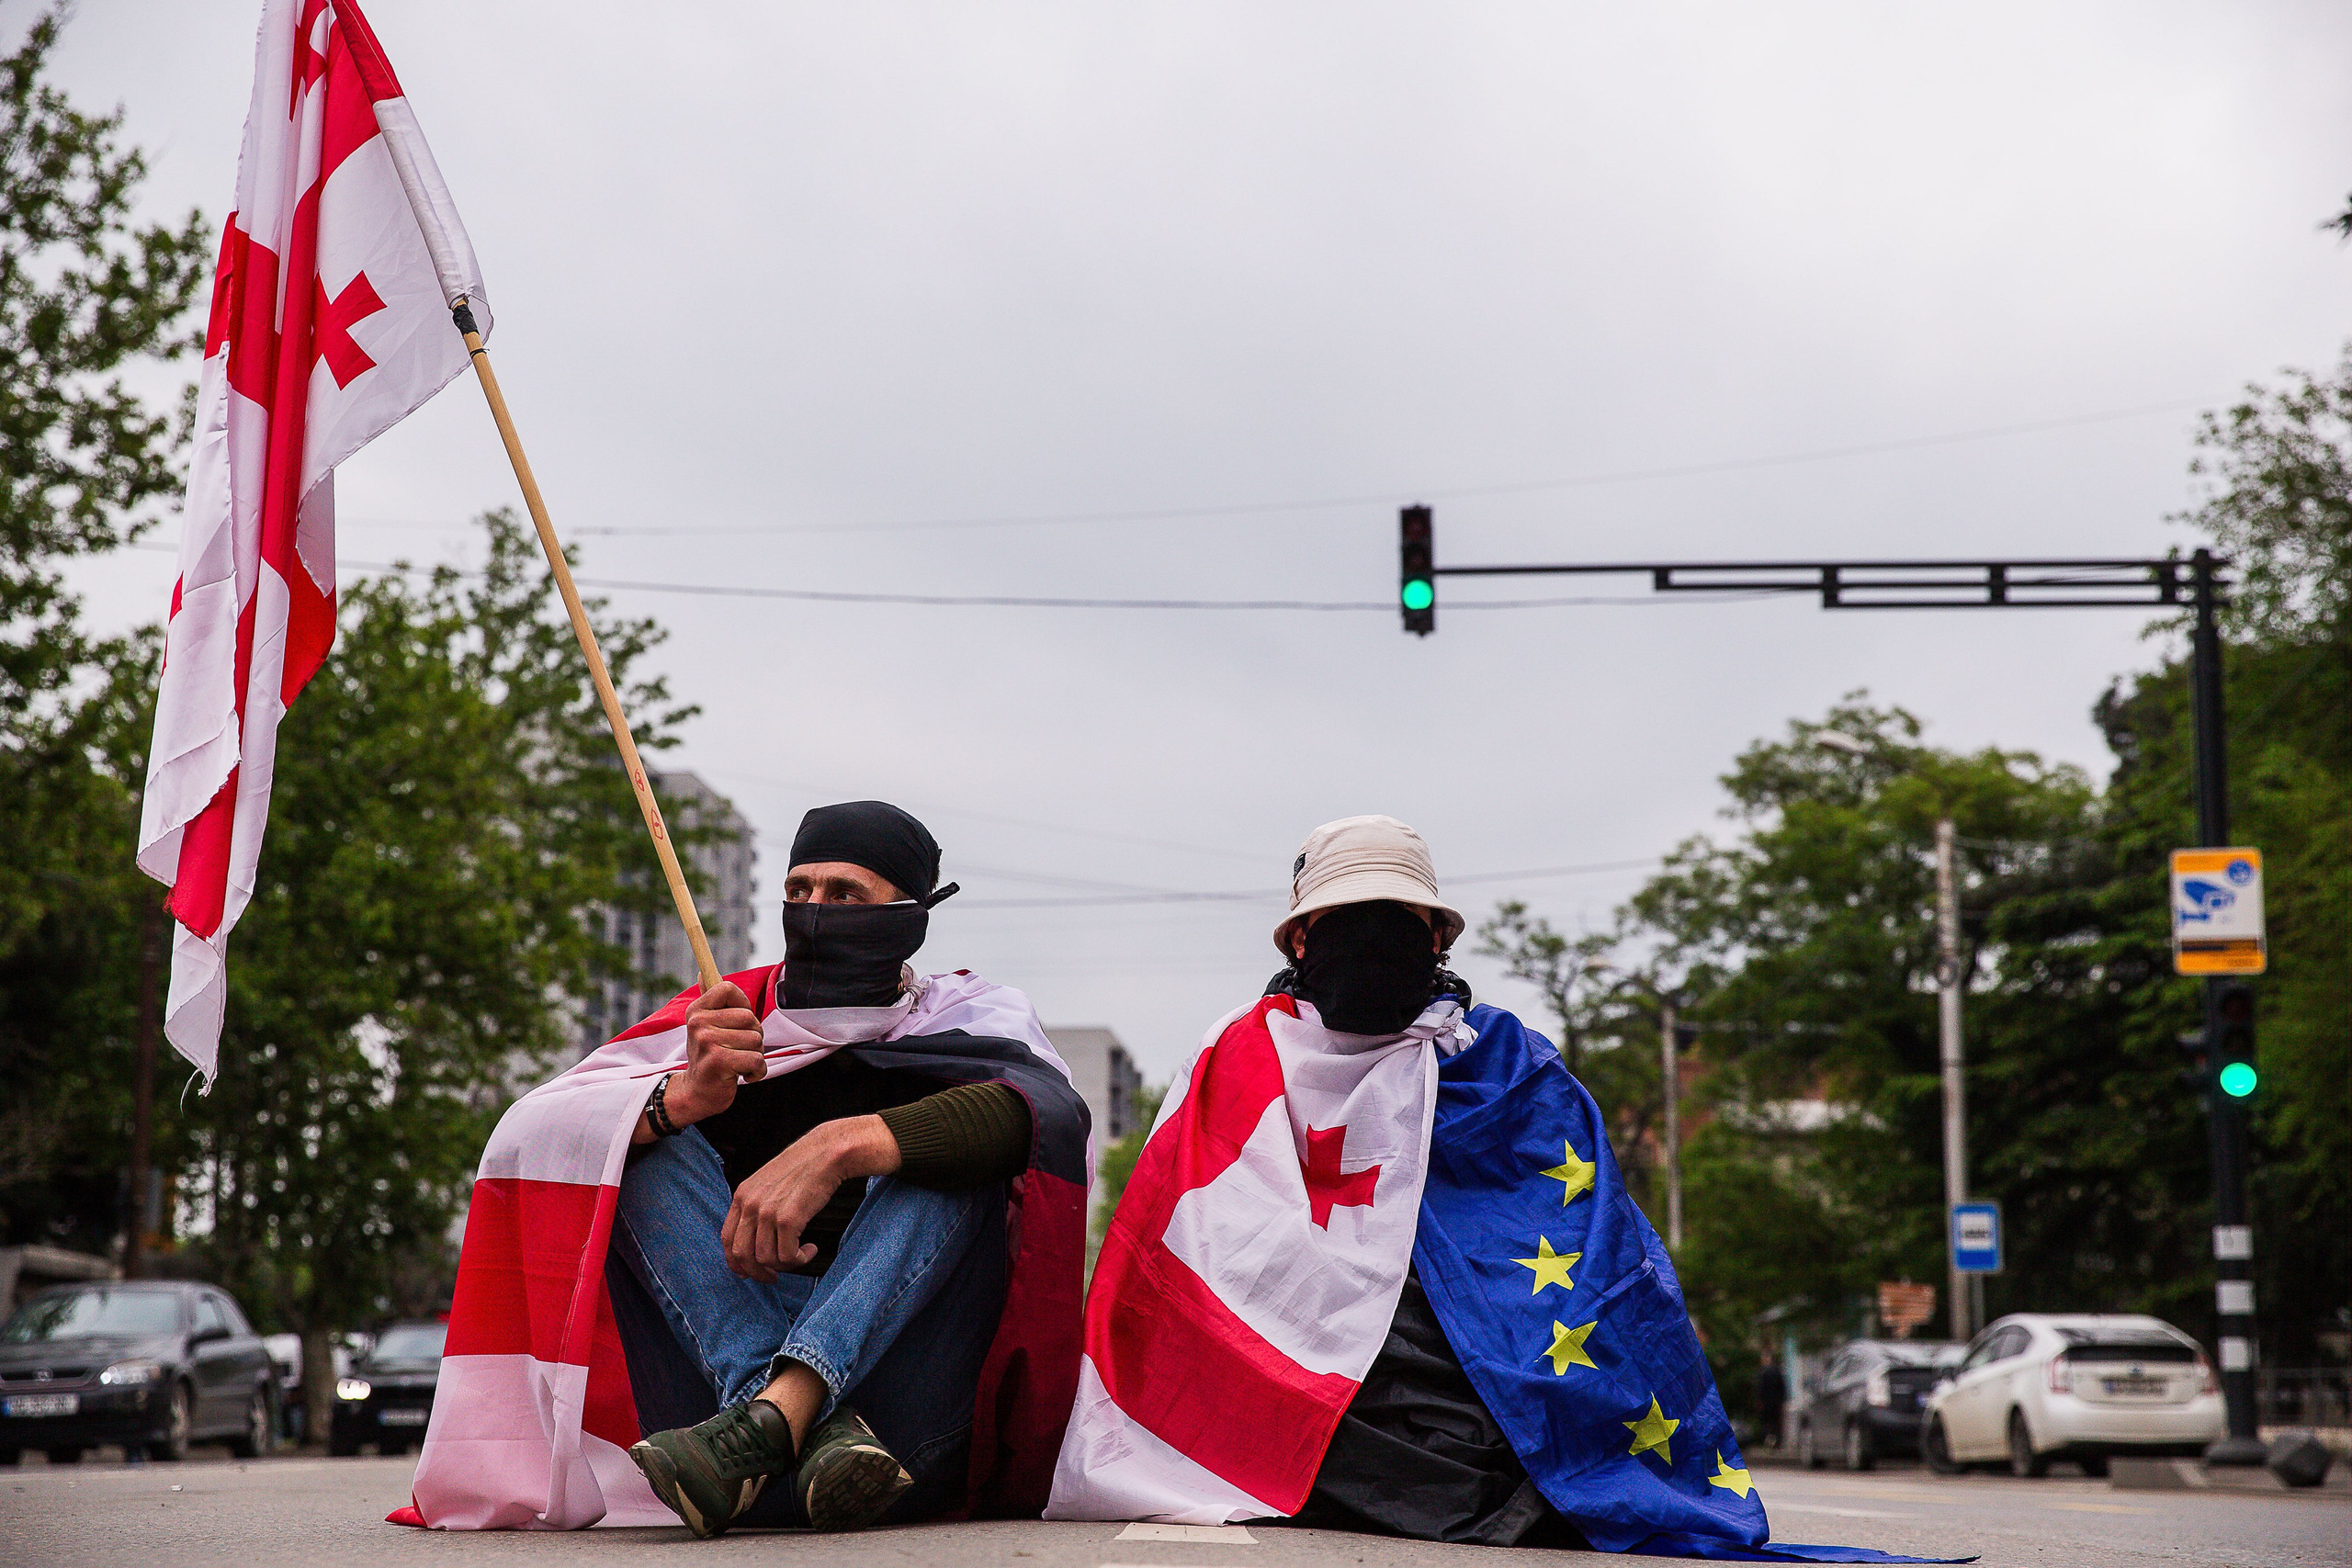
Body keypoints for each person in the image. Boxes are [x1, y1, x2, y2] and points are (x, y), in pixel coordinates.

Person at [1046, 816, 1943, 1565]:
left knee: (1513, 1421)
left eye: (1395, 920)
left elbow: (1591, 1253)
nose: (1373, 940)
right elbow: (1185, 1248)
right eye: (1348, 919)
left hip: (1479, 1353)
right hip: (1296, 1363)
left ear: (1437, 939)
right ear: (1300, 940)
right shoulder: (1236, 1057)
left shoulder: (1507, 1063)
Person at [406, 801, 1091, 1538]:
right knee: (629, 1139)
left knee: (948, 1153)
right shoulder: (727, 1022)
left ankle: (777, 1414)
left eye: (845, 893)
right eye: (799, 889)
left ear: (910, 916)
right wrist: (680, 1099)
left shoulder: (969, 1018)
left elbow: (1045, 1117)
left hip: (899, 1444)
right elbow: (534, 1134)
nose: (814, 909)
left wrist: (841, 1144)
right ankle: (778, 1418)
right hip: (712, 1456)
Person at [1756, 1352, 1789, 1450]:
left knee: (1767, 1423)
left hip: (1766, 1403)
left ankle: (1768, 1441)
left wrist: (1759, 1401)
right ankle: (1777, 1442)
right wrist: (1782, 1400)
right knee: (1776, 1423)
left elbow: (1760, 1389)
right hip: (1777, 1402)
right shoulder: (1778, 1372)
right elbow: (1783, 1388)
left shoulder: (1763, 1373)